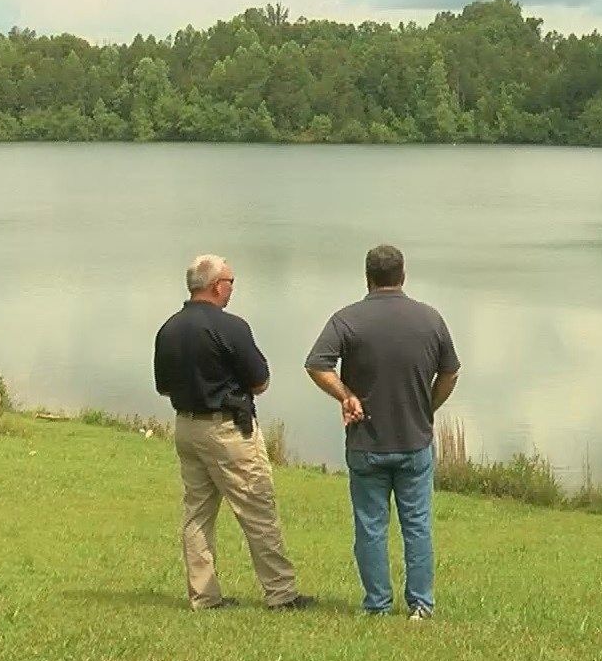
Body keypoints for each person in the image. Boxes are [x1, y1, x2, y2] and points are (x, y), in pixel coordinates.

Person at [305, 244, 460, 620]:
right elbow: (450, 372)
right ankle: (420, 605)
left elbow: (316, 364)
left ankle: (376, 605)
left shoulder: (346, 319)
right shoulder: (430, 319)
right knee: (418, 526)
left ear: (368, 277)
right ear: (402, 276)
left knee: (371, 527)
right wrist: (428, 408)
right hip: (415, 442)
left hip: (366, 444)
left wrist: (346, 394)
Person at [152, 253, 313, 612]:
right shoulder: (231, 327)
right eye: (230, 282)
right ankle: (281, 594)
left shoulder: (169, 328)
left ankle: (204, 596)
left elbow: (163, 386)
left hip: (186, 427)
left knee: (197, 513)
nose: (232, 289)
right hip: (227, 430)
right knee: (257, 507)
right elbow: (260, 381)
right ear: (214, 286)